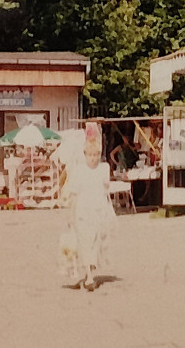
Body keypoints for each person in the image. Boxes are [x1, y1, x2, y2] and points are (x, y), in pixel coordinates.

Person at [59, 123, 116, 291]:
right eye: (90, 155)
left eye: (96, 155)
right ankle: (90, 277)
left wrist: (109, 213)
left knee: (95, 244)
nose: (93, 158)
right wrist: (70, 213)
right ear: (84, 154)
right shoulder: (78, 170)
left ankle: (89, 272)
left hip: (98, 211)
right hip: (82, 212)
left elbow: (106, 192)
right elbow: (74, 193)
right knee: (84, 243)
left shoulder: (104, 168)